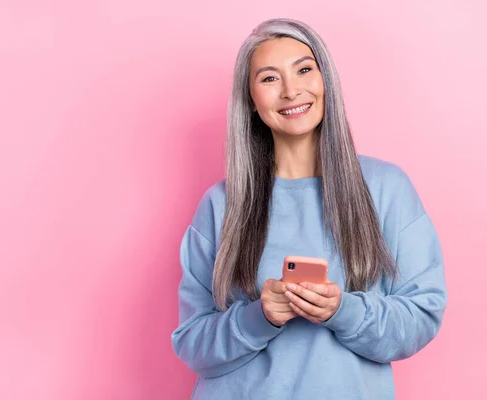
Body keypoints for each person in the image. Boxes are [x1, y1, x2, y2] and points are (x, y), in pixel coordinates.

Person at [171, 17, 447, 399]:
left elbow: (421, 317)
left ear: (324, 80)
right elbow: (191, 344)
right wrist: (259, 317)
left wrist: (343, 310)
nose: (291, 90)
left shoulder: (387, 188)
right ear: (251, 101)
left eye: (304, 69)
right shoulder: (221, 205)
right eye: (269, 78)